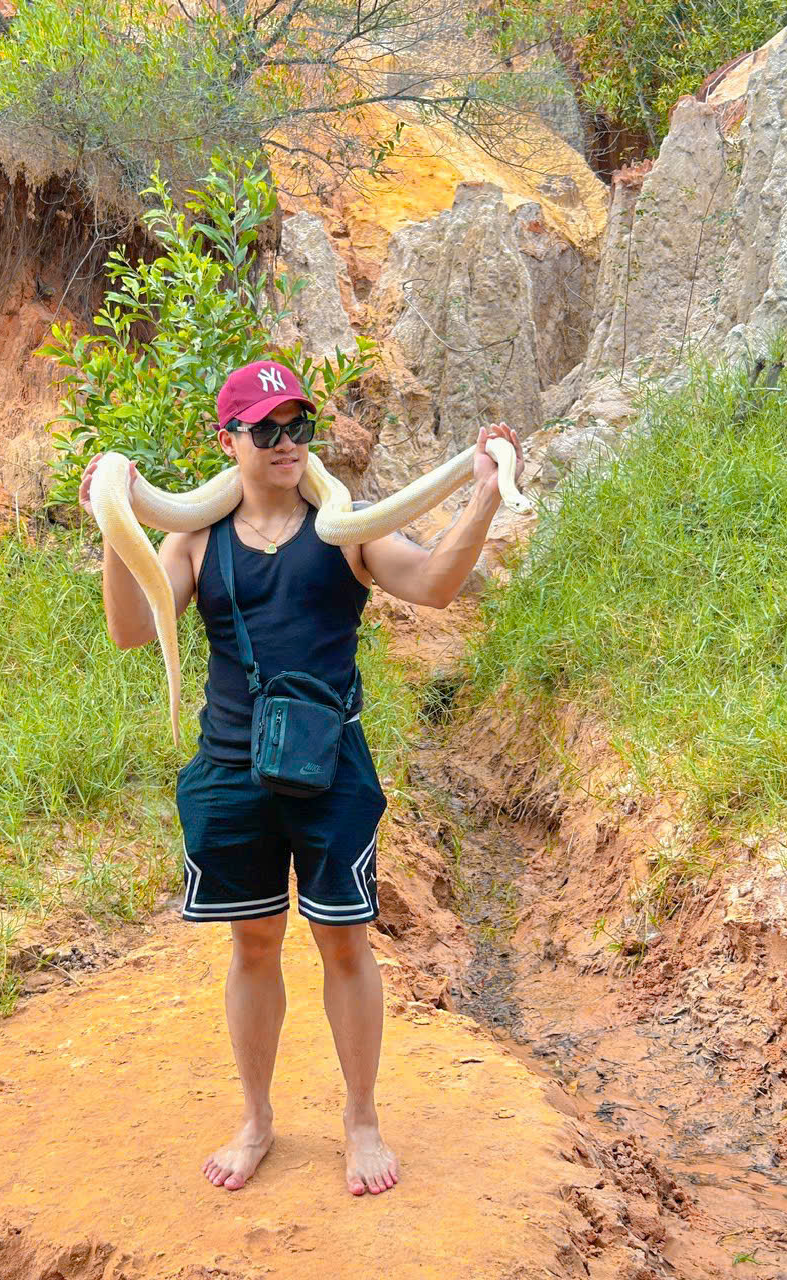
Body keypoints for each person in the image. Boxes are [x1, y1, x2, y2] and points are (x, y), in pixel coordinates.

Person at [79, 359, 523, 1197]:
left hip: (331, 770)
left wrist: (485, 494)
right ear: (228, 440)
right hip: (229, 768)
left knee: (345, 943)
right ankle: (256, 1120)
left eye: (298, 427)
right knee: (253, 945)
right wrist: (113, 520)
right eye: (266, 430)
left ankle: (362, 1119)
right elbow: (132, 631)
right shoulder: (196, 538)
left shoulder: (345, 527)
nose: (286, 444)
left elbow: (434, 585)